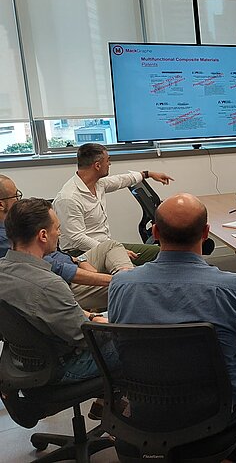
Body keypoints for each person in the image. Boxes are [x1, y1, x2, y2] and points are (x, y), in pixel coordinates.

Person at [109, 193, 236, 463]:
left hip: (145, 409)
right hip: (217, 411)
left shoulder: (121, 285)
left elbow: (121, 349)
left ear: (155, 232)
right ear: (206, 233)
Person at [0, 198, 107, 384]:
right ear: (43, 235)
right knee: (136, 347)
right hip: (63, 365)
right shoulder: (50, 285)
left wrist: (90, 316)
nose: (59, 233)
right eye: (57, 228)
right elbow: (87, 339)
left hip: (22, 363)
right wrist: (111, 324)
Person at [0, 174, 133, 311]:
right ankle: (130, 278)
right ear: (1, 204)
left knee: (111, 246)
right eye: (15, 196)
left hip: (71, 265)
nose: (19, 199)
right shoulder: (6, 237)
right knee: (130, 289)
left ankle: (127, 275)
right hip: (66, 283)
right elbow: (56, 268)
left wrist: (79, 260)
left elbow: (54, 252)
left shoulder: (13, 223)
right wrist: (115, 280)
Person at [53, 143, 173, 265]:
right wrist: (112, 250)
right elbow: (77, 239)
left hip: (105, 245)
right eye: (107, 160)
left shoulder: (98, 184)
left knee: (161, 253)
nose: (109, 164)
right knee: (132, 270)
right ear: (97, 165)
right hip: (81, 253)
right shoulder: (69, 198)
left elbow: (120, 180)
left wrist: (148, 174)